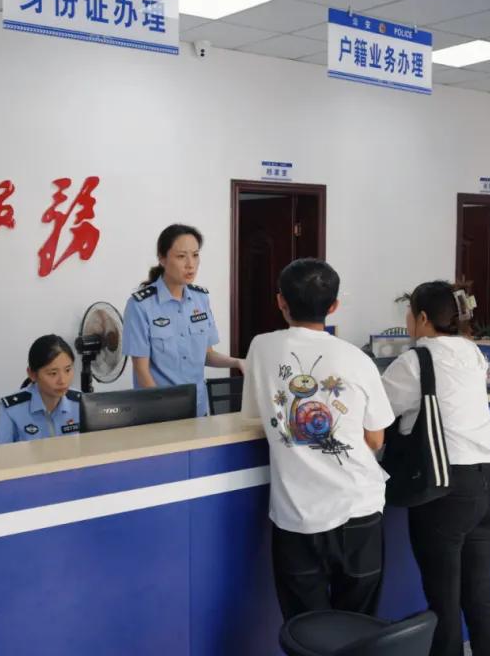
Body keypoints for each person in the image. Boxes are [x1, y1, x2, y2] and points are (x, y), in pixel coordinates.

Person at [241, 258, 395, 619]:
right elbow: (376, 439)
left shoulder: (261, 348)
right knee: (358, 626)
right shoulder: (357, 359)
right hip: (358, 511)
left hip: (297, 519)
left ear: (280, 301)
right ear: (334, 306)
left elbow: (255, 415)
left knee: (304, 627)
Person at [381, 281, 490, 656]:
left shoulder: (414, 362)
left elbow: (377, 411)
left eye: (409, 313)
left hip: (444, 488)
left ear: (422, 317)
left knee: (444, 601)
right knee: (479, 597)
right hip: (486, 483)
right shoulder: (474, 353)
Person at [122, 224, 242, 417]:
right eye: (181, 256)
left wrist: (237, 362)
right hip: (159, 414)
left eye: (195, 255)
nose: (190, 264)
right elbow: (141, 370)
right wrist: (165, 410)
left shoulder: (201, 299)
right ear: (162, 258)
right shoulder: (141, 305)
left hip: (198, 410)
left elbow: (207, 355)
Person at [0, 335, 81, 444]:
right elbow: (1, 452)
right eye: (53, 373)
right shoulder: (11, 409)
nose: (63, 380)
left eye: (68, 370)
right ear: (32, 374)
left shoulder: (81, 402)